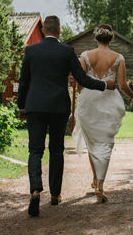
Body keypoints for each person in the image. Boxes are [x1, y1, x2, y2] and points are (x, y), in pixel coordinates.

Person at [17, 15, 116, 217]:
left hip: (35, 107)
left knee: (35, 150)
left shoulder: (31, 50)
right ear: (59, 30)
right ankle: (55, 195)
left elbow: (23, 81)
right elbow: (82, 79)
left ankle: (35, 191)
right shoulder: (67, 51)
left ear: (43, 30)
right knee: (56, 150)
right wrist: (104, 85)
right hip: (58, 107)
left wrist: (21, 107)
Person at [72, 23, 133, 203]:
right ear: (111, 38)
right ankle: (100, 184)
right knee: (106, 143)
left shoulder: (85, 56)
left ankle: (96, 181)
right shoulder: (118, 58)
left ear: (96, 37)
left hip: (88, 102)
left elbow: (80, 82)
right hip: (109, 102)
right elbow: (123, 85)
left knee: (92, 143)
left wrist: (81, 95)